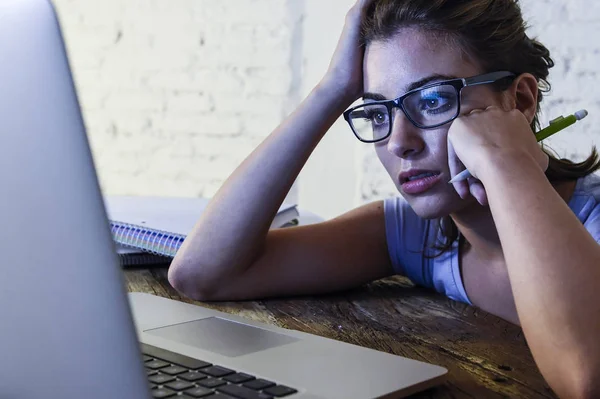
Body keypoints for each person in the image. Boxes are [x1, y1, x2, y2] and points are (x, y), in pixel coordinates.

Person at [168, 0, 600, 397]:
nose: (398, 142)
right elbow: (203, 274)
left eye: (432, 101)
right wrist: (333, 89)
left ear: (520, 100)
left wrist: (506, 163)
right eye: (378, 112)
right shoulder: (417, 235)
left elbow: (585, 378)